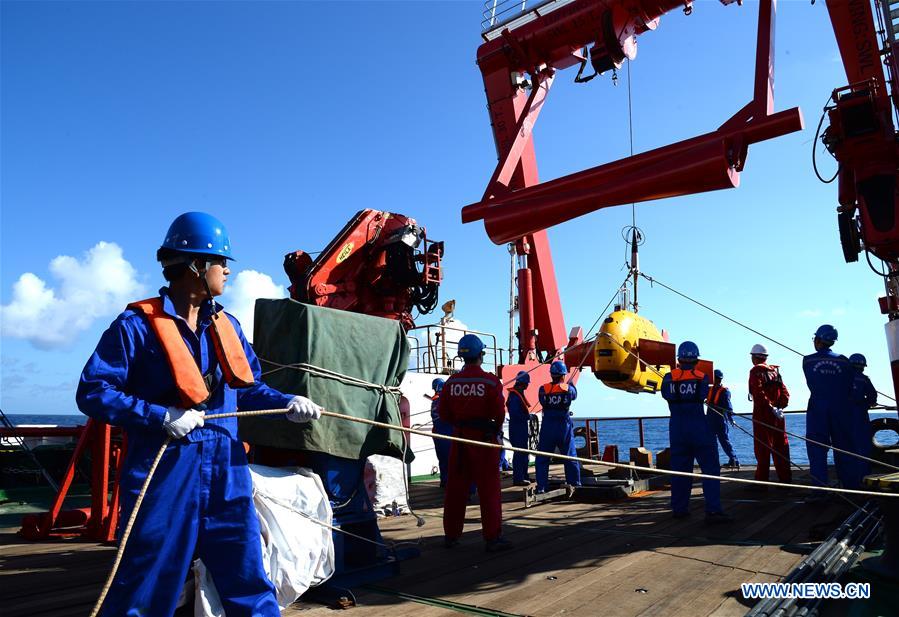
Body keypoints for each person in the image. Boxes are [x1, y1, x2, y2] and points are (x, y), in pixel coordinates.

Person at [76, 212, 322, 616]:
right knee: (145, 583)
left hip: (227, 471)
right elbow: (93, 391)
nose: (227, 271)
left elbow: (248, 390)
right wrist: (160, 415)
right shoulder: (135, 327)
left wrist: (287, 404)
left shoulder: (229, 326)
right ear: (195, 266)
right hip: (165, 474)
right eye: (221, 262)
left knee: (248, 577)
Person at [439, 334, 511, 552]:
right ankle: (492, 538)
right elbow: (499, 413)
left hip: (459, 440)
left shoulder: (451, 383)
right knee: (489, 490)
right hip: (484, 441)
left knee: (455, 490)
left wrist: (461, 425)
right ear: (481, 354)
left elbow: (444, 414)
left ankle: (451, 536)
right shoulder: (490, 381)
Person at [661, 341, 731, 523]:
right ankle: (713, 510)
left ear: (679, 359)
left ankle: (679, 508)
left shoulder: (668, 378)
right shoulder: (702, 378)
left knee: (680, 471)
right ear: (696, 359)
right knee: (710, 469)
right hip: (699, 427)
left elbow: (666, 395)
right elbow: (701, 396)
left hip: (677, 429)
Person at [803, 324, 855, 495]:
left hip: (818, 410)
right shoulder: (844, 361)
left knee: (817, 450)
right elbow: (849, 385)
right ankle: (849, 488)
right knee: (844, 449)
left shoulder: (808, 361)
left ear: (818, 339)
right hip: (841, 409)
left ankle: (819, 491)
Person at [748, 343, 792, 485]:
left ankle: (762, 482)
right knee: (781, 446)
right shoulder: (775, 372)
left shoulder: (756, 372)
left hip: (763, 415)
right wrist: (780, 407)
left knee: (762, 448)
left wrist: (770, 408)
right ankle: (785, 480)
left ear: (754, 357)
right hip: (778, 416)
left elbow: (758, 393)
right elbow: (785, 392)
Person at [535, 361, 581, 493]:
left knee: (542, 457)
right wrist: (570, 384)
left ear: (552, 374)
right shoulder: (568, 389)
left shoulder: (543, 389)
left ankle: (542, 487)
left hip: (548, 425)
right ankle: (575, 483)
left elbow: (543, 401)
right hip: (563, 426)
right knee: (570, 456)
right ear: (563, 375)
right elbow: (574, 395)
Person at [848, 353, 877, 488]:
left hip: (843, 417)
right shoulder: (864, 379)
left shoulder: (842, 378)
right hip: (860, 416)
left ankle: (849, 480)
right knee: (863, 447)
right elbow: (872, 396)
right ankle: (864, 477)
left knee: (846, 447)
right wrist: (866, 403)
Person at [706, 369, 739, 469]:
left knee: (724, 441)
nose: (716, 380)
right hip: (710, 419)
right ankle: (714, 462)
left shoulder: (725, 391)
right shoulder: (709, 389)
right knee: (711, 442)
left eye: (717, 379)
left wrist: (731, 418)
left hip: (720, 419)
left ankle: (734, 460)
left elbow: (728, 407)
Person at [506, 370, 534, 486]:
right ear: (523, 383)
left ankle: (524, 476)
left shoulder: (517, 394)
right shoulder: (515, 396)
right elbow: (515, 413)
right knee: (519, 453)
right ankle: (519, 478)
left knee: (524, 453)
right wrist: (527, 416)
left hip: (520, 428)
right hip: (517, 428)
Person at [430, 378, 451, 487]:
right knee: (449, 459)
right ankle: (449, 482)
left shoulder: (435, 400)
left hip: (437, 433)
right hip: (446, 433)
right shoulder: (443, 400)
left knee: (442, 459)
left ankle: (444, 481)